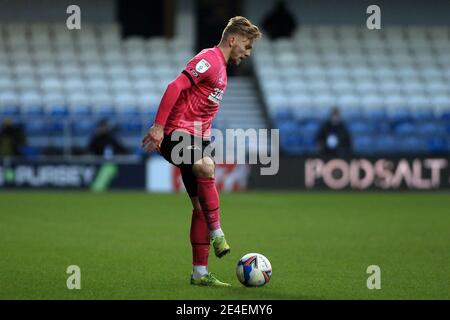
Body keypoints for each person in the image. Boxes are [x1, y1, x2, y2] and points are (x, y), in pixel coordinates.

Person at [142, 16, 262, 287]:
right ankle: (217, 233)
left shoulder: (222, 68)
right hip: (176, 134)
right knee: (207, 167)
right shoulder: (208, 59)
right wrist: (160, 128)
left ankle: (199, 273)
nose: (248, 52)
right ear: (233, 39)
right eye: (247, 45)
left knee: (199, 207)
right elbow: (175, 86)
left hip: (197, 139)